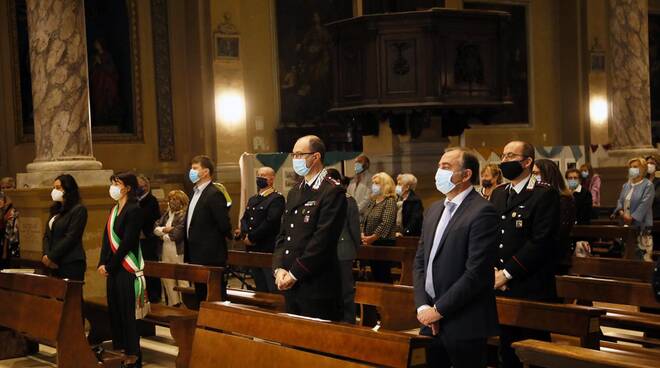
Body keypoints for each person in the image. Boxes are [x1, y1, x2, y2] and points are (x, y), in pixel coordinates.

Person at [413, 148, 499, 368]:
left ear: (466, 175)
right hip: (429, 319)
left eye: (446, 167)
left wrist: (439, 310)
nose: (438, 172)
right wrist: (424, 307)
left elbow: (476, 272)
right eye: (439, 166)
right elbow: (421, 261)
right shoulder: (433, 210)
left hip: (464, 320)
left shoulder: (482, 211)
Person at [490, 141, 560, 368]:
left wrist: (507, 273)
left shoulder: (543, 194)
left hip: (530, 285)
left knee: (535, 351)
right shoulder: (499, 193)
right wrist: (494, 271)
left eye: (510, 155)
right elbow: (493, 234)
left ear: (527, 162)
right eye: (502, 155)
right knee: (507, 349)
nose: (504, 160)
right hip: (500, 284)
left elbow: (540, 242)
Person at [272, 135, 347, 321]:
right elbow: (283, 234)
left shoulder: (332, 191)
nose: (295, 160)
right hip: (290, 282)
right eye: (293, 155)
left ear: (316, 156)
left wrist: (294, 274)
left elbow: (322, 241)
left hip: (316, 284)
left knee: (317, 346)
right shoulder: (295, 190)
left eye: (299, 155)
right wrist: (279, 268)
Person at [97, 172, 148, 368]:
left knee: (128, 314)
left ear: (127, 187)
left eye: (117, 183)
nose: (113, 187)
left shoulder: (134, 210)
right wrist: (102, 262)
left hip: (126, 269)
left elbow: (127, 242)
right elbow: (105, 241)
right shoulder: (115, 209)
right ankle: (121, 352)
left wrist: (111, 265)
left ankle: (134, 356)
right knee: (116, 312)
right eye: (113, 183)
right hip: (114, 270)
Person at [184, 155, 232, 302]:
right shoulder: (195, 192)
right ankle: (203, 324)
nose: (191, 171)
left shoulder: (214, 193)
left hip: (210, 254)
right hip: (195, 253)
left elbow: (224, 224)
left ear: (205, 172)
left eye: (194, 168)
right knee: (200, 295)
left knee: (214, 297)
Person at [236, 166, 285, 292]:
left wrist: (252, 237)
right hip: (252, 248)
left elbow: (270, 222)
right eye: (259, 175)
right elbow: (245, 219)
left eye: (263, 176)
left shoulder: (276, 198)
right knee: (259, 284)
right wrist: (245, 235)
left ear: (272, 179)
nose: (260, 178)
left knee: (270, 285)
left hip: (266, 247)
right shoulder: (253, 199)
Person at [326, 168, 360, 324]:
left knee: (344, 288)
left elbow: (353, 227)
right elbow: (354, 228)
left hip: (339, 250)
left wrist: (356, 248)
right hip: (339, 250)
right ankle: (343, 318)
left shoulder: (345, 199)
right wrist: (357, 248)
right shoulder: (346, 199)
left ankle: (347, 319)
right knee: (341, 288)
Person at [42, 174, 88, 281]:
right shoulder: (55, 210)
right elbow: (47, 235)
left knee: (71, 297)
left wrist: (51, 256)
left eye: (58, 188)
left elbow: (71, 237)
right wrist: (46, 255)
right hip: (52, 263)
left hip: (70, 262)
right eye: (54, 188)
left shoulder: (79, 209)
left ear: (68, 189)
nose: (54, 191)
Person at [534, 159, 576, 270]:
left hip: (556, 257)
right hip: (539, 256)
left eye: (536, 173)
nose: (533, 177)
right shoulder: (536, 196)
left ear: (548, 174)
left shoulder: (563, 199)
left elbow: (560, 231)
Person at [612, 157, 655, 260]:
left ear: (643, 169)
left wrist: (632, 218)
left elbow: (645, 204)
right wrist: (621, 212)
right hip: (626, 227)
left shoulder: (648, 185)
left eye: (635, 167)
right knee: (627, 258)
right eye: (631, 167)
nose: (632, 169)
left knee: (642, 259)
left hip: (641, 228)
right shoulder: (626, 185)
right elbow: (620, 201)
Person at [154, 190, 189, 306]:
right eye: (170, 199)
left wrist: (163, 232)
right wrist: (166, 230)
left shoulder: (184, 215)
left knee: (182, 279)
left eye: (175, 199)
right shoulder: (167, 214)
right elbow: (155, 228)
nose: (171, 202)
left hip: (178, 251)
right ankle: (174, 304)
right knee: (167, 279)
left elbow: (177, 235)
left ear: (182, 201)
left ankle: (186, 303)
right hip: (165, 250)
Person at [361, 172, 397, 282]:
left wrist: (373, 237)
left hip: (383, 243)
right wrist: (363, 234)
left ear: (385, 185)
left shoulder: (389, 201)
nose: (373, 186)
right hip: (371, 243)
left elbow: (386, 222)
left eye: (376, 183)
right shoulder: (373, 201)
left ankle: (388, 297)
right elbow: (364, 219)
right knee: (375, 273)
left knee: (383, 274)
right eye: (373, 183)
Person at [137, 174, 162, 303]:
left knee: (151, 268)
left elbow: (149, 217)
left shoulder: (151, 200)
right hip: (138, 240)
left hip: (148, 239)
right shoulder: (136, 200)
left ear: (146, 187)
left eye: (139, 185)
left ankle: (154, 295)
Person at [0, 191, 19, 269]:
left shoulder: (13, 210)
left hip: (9, 245)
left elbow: (8, 233)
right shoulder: (3, 210)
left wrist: (4, 252)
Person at [646, 155, 660, 223]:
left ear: (657, 165)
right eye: (647, 163)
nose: (649, 165)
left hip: (656, 215)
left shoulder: (659, 180)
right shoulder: (643, 180)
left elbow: (657, 197)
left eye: (652, 163)